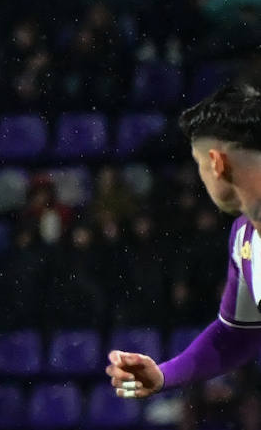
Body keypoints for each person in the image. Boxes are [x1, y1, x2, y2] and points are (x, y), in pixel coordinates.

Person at [108, 81, 261, 406]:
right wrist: (164, 375)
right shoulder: (244, 238)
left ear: (218, 164)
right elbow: (235, 336)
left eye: (199, 165)